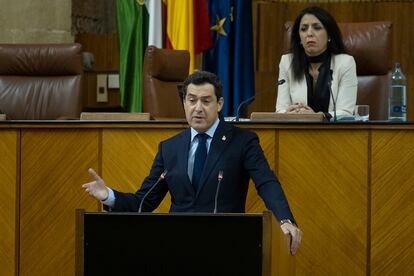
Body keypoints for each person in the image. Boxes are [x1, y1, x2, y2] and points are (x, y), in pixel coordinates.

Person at [82, 70, 302, 254]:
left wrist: (285, 219)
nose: (198, 107)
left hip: (227, 245)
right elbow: (144, 202)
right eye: (192, 100)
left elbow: (266, 182)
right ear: (184, 103)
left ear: (219, 104)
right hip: (177, 246)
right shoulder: (169, 148)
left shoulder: (242, 141)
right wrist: (108, 196)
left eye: (206, 101)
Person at [276, 6, 358, 120]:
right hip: (296, 132)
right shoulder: (287, 62)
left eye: (317, 28)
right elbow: (280, 109)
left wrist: (317, 116)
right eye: (304, 29)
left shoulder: (345, 63)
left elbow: (346, 112)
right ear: (299, 38)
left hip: (334, 134)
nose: (309, 33)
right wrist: (287, 113)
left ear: (329, 35)